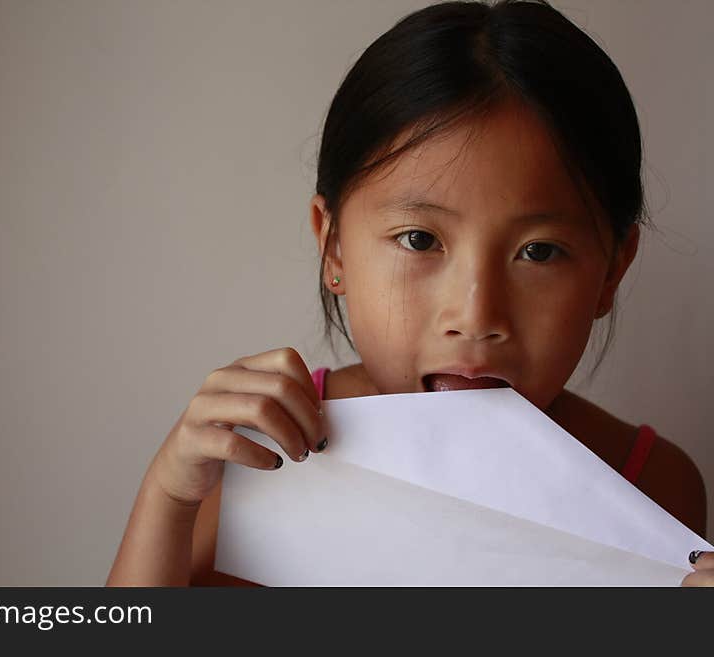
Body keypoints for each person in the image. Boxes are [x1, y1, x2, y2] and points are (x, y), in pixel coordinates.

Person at [106, 0, 708, 587]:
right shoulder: (251, 454)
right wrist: (168, 495)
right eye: (419, 239)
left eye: (539, 251)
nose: (475, 318)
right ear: (334, 247)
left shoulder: (652, 487)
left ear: (611, 271)